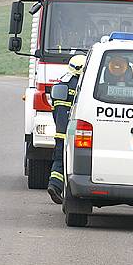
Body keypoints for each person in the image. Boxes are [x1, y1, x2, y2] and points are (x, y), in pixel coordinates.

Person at [47, 54, 86, 204]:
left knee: (59, 158)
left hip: (59, 131)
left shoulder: (61, 84)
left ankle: (55, 186)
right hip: (72, 132)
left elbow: (55, 110)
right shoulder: (80, 86)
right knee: (71, 162)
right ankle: (58, 187)